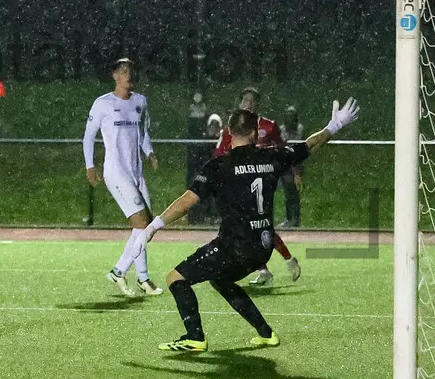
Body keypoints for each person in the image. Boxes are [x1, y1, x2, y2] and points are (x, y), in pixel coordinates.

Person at [142, 99, 359, 352]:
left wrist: (154, 225)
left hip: (235, 247)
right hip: (263, 248)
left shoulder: (219, 166)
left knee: (175, 278)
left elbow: (187, 202)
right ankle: (266, 334)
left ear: (228, 132)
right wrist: (333, 126)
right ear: (255, 133)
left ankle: (194, 337)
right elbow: (307, 146)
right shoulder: (272, 156)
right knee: (221, 280)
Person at [84, 58, 162, 297]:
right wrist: (90, 166)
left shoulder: (140, 102)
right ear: (115, 75)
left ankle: (143, 279)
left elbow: (143, 133)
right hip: (116, 172)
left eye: (131, 71)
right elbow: (88, 137)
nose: (129, 75)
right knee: (141, 224)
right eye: (124, 71)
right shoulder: (102, 104)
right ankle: (119, 271)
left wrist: (149, 152)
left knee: (146, 226)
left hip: (136, 173)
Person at [213, 87, 299, 285]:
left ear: (257, 104)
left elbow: (283, 149)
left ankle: (274, 264)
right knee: (256, 226)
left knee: (256, 226)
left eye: (252, 100)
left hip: (261, 182)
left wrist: (292, 170)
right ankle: (274, 265)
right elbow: (219, 153)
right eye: (245, 100)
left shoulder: (268, 126)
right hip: (239, 182)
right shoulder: (232, 127)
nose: (248, 104)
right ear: (240, 102)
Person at [188, 113, 221, 224]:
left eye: (216, 126)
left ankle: (216, 215)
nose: (213, 128)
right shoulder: (203, 141)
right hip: (205, 173)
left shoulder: (222, 142)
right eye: (211, 126)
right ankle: (202, 216)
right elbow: (198, 159)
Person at [278, 106, 306, 229]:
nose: (289, 117)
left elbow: (297, 143)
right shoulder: (282, 129)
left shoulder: (299, 128)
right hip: (285, 163)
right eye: (287, 114)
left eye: (292, 114)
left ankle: (296, 219)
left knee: (295, 192)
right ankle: (289, 218)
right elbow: (283, 142)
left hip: (297, 162)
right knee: (288, 191)